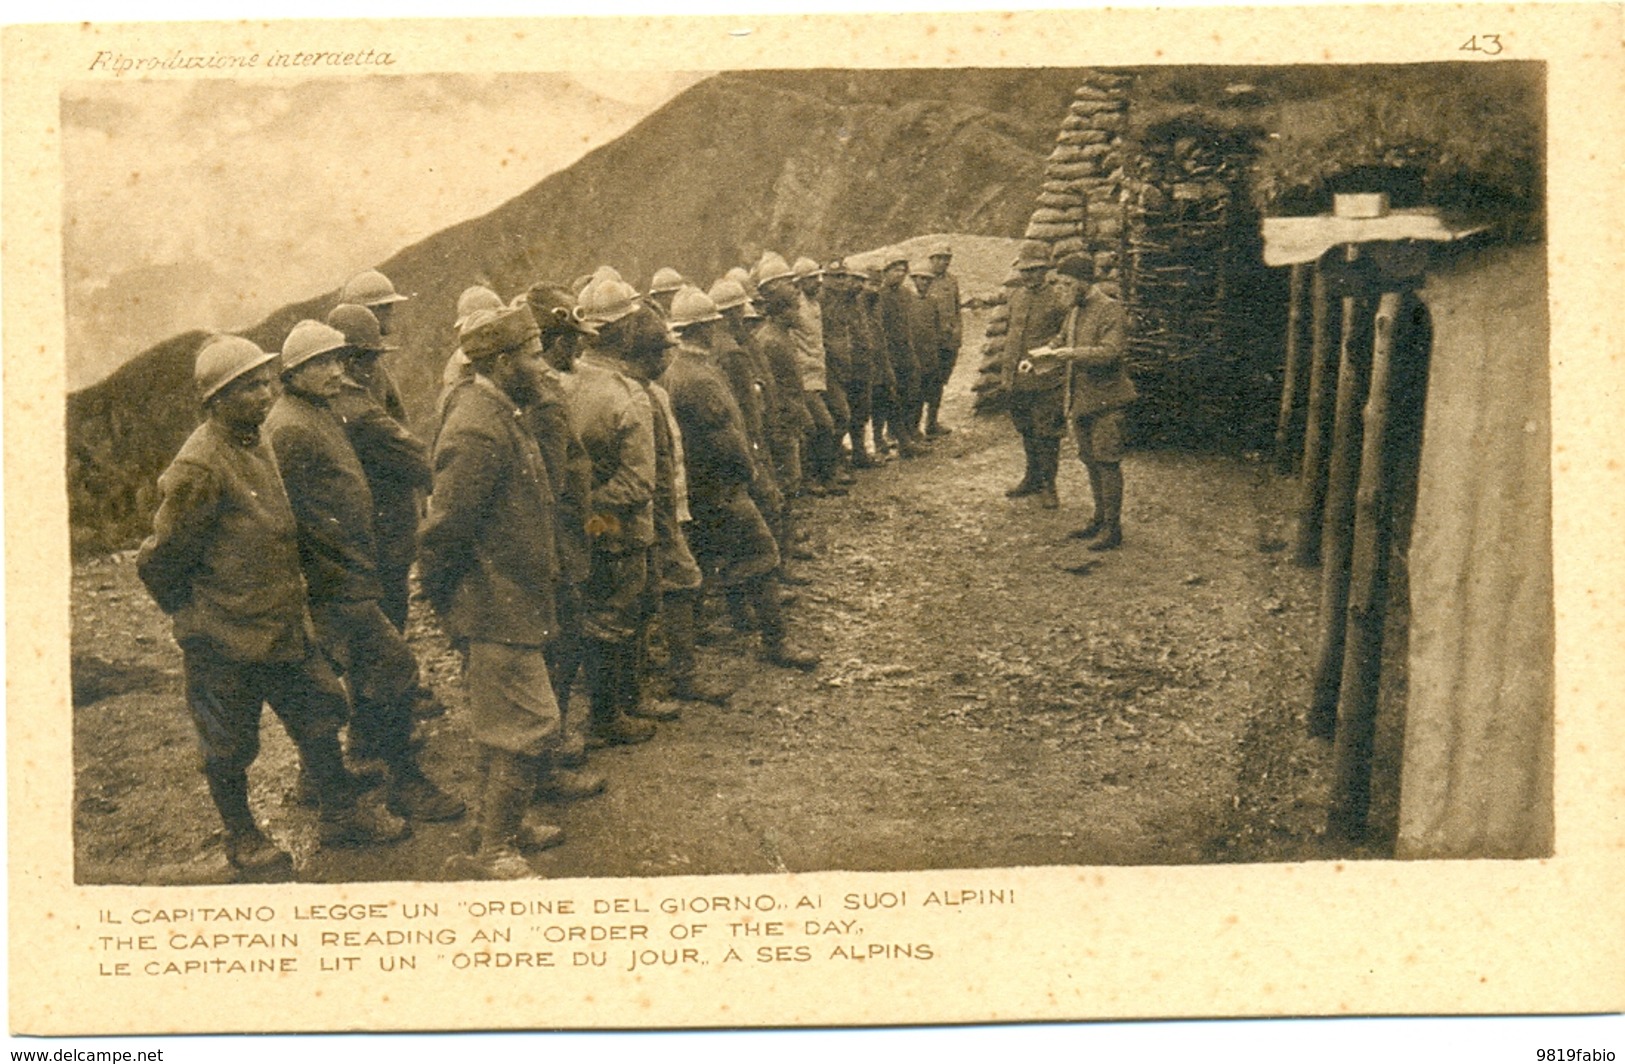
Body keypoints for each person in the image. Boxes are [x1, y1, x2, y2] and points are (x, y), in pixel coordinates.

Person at [136, 335, 407, 878]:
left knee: (318, 713)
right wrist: (199, 616)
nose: (265, 394)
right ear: (216, 400)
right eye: (249, 387)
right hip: (225, 636)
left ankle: (338, 813)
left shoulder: (255, 438)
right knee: (229, 743)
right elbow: (161, 558)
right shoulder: (200, 466)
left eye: (265, 382)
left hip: (283, 622)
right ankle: (242, 839)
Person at [265, 320, 465, 827]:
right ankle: (403, 782)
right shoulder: (290, 427)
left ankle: (321, 779)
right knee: (387, 670)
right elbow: (285, 517)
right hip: (332, 582)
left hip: (346, 574)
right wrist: (325, 576)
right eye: (322, 364)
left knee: (327, 682)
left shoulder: (318, 411)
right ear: (295, 373)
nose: (336, 371)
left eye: (337, 360)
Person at [420, 302, 566, 879]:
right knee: (530, 723)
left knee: (498, 721)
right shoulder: (479, 426)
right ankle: (495, 850)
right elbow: (445, 530)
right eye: (533, 356)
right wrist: (451, 603)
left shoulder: (499, 408)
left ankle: (501, 825)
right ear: (504, 361)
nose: (544, 367)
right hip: (494, 603)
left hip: (511, 598)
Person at [665, 286, 819, 671]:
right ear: (703, 329)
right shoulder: (699, 376)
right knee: (761, 552)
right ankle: (775, 641)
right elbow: (727, 438)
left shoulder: (679, 370)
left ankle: (730, 622)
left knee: (715, 556)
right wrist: (752, 474)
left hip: (700, 486)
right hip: (722, 485)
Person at [564, 276, 662, 747]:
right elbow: (640, 484)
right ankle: (609, 716)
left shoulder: (562, 380)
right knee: (618, 618)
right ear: (624, 332)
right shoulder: (626, 394)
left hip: (581, 527)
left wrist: (580, 513)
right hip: (619, 526)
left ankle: (614, 706)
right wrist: (597, 510)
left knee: (592, 616)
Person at [325, 304, 433, 635]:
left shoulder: (328, 401)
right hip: (386, 529)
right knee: (388, 614)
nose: (374, 367)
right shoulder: (357, 409)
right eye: (370, 358)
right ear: (350, 360)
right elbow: (416, 458)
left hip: (357, 534)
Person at [1050, 254, 1136, 550]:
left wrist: (1071, 353)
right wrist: (1044, 353)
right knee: (1089, 460)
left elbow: (1111, 352)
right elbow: (1061, 339)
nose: (1062, 288)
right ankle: (1099, 518)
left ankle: (1113, 529)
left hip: (1108, 401)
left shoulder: (1110, 309)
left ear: (1084, 282)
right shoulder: (1074, 310)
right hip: (1081, 401)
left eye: (1067, 283)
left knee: (1107, 462)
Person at [999, 240, 1070, 509]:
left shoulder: (1058, 299)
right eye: (1024, 271)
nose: (1027, 276)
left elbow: (1065, 336)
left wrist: (1044, 354)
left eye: (1033, 271)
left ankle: (1049, 486)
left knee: (1047, 433)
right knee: (1026, 429)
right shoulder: (1016, 296)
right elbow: (1011, 335)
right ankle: (1032, 477)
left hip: (1045, 379)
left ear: (1045, 270)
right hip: (1017, 380)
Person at [876, 252, 928, 458]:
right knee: (888, 397)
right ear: (886, 272)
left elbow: (909, 325)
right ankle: (890, 439)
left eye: (902, 270)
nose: (900, 274)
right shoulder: (879, 295)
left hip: (905, 351)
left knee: (910, 393)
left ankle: (905, 434)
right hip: (888, 353)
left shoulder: (906, 294)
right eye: (895, 270)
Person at [924, 242, 963, 436]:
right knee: (923, 382)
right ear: (930, 259)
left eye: (946, 258)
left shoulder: (952, 281)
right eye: (938, 258)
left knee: (939, 382)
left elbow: (957, 310)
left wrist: (957, 335)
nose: (942, 262)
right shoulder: (922, 280)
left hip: (947, 342)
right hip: (929, 343)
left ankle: (932, 422)